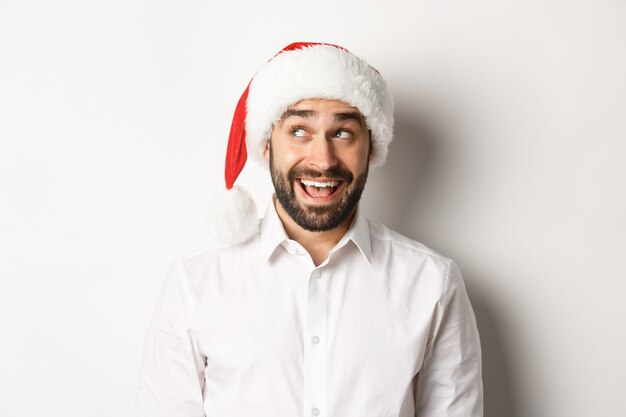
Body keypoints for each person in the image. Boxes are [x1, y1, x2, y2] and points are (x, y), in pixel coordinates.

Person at [136, 42, 483, 417]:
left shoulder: (432, 283)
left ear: (371, 148)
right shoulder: (195, 283)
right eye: (299, 131)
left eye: (343, 133)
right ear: (267, 146)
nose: (322, 160)